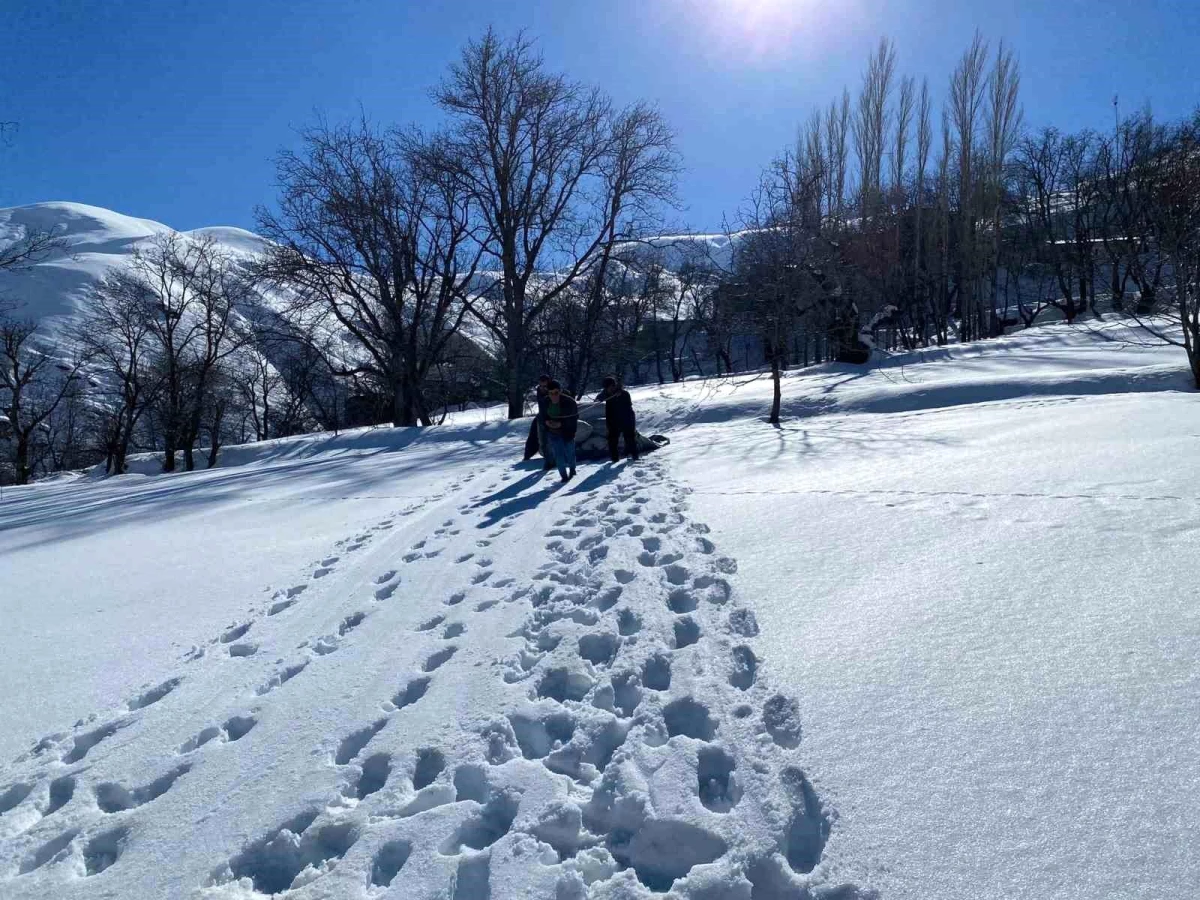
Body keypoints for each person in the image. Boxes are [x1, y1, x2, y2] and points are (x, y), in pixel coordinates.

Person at [596, 375, 638, 463]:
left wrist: (618, 397)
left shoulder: (624, 393)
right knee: (612, 439)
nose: (610, 389)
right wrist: (599, 399)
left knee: (629, 437)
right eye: (608, 388)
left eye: (612, 386)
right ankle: (615, 458)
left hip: (627, 418)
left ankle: (634, 456)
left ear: (614, 385)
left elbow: (627, 405)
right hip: (612, 420)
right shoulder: (605, 394)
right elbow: (599, 398)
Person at [543, 380, 578, 482]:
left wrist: (561, 424)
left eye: (556, 393)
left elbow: (574, 418)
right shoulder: (545, 402)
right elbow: (543, 416)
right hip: (553, 432)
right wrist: (547, 422)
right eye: (551, 393)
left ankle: (572, 469)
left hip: (568, 432)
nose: (554, 396)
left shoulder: (569, 402)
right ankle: (563, 476)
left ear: (560, 391)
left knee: (570, 453)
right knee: (559, 455)